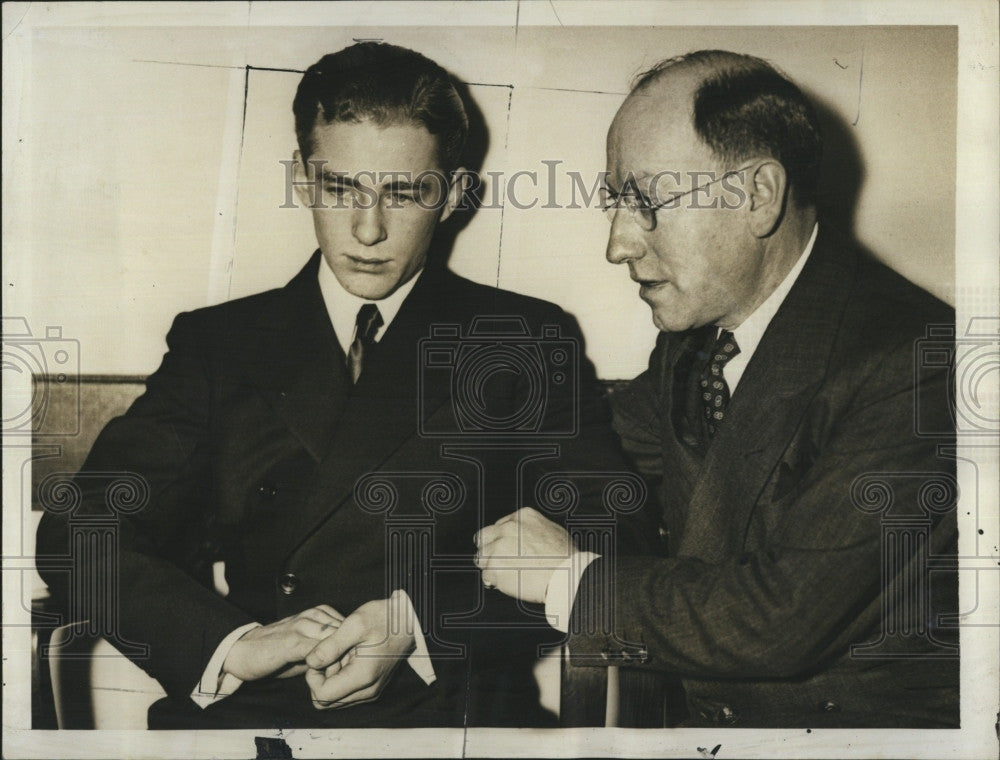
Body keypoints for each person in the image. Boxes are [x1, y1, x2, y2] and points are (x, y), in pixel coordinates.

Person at [36, 42, 645, 729]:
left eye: (404, 192)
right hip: (256, 712)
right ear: (301, 178)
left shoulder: (523, 340)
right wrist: (230, 645)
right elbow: (79, 528)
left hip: (458, 715)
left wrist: (420, 623)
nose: (368, 229)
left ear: (452, 195)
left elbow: (612, 527)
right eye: (340, 188)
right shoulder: (220, 345)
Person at [475, 50, 959, 728]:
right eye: (618, 201)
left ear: (758, 195)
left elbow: (782, 618)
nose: (617, 245)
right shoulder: (697, 334)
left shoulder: (916, 359)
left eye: (647, 202)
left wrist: (566, 580)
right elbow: (595, 456)